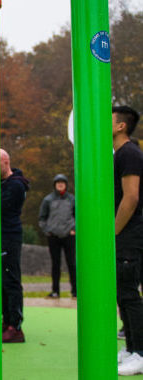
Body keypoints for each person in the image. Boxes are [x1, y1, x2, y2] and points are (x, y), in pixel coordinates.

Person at [112, 105, 143, 376]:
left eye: (109, 118)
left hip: (130, 234)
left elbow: (131, 197)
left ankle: (140, 353)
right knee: (123, 292)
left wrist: (114, 231)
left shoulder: (130, 153)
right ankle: (132, 347)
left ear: (121, 125)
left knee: (130, 293)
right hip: (125, 234)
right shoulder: (119, 153)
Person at [0, 149, 29, 343]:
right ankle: (6, 320)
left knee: (11, 279)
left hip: (9, 236)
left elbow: (1, 206)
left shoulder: (16, 185)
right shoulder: (3, 184)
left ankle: (15, 326)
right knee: (2, 281)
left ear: (5, 162)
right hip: (0, 235)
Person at [38, 174, 77, 299]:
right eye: (58, 183)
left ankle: (75, 291)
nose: (60, 185)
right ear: (54, 185)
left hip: (69, 235)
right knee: (56, 264)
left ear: (66, 184)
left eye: (62, 182)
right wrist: (47, 230)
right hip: (53, 236)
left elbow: (78, 216)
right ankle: (55, 291)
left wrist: (74, 229)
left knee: (72, 263)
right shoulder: (48, 200)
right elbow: (42, 218)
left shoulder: (72, 199)